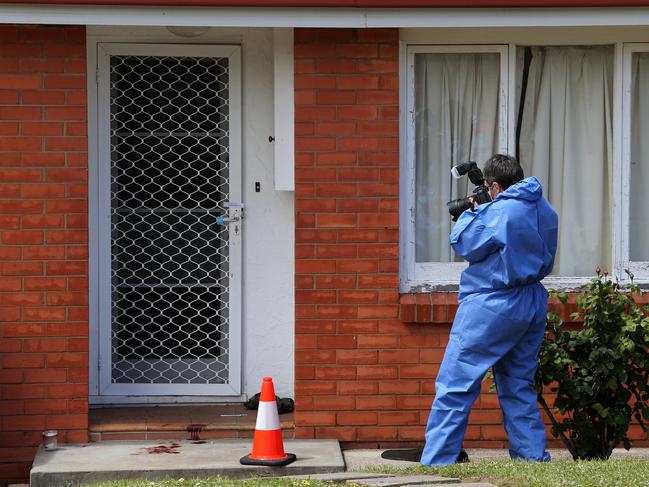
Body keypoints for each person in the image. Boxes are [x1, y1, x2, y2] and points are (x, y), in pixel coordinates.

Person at [421, 154, 558, 466]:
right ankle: (531, 459)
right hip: (532, 300)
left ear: (494, 186)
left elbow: (464, 243)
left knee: (455, 384)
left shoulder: (499, 210)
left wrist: (473, 210)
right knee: (518, 385)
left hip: (493, 302)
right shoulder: (544, 208)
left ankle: (439, 461)